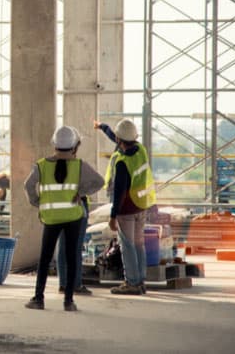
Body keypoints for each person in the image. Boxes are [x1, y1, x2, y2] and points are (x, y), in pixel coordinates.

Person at [23, 126, 104, 311]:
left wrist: (38, 202)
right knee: (71, 255)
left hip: (51, 218)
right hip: (73, 216)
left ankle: (38, 299)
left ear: (54, 143)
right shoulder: (79, 165)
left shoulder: (41, 165)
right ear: (75, 145)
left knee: (44, 258)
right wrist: (81, 192)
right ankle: (68, 301)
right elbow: (99, 182)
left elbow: (28, 185)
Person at [95, 118, 156, 295]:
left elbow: (119, 192)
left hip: (126, 210)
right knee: (138, 244)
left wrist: (113, 216)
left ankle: (131, 282)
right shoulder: (141, 150)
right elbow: (119, 137)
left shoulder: (122, 162)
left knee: (127, 246)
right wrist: (102, 127)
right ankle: (140, 281)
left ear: (120, 141)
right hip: (141, 206)